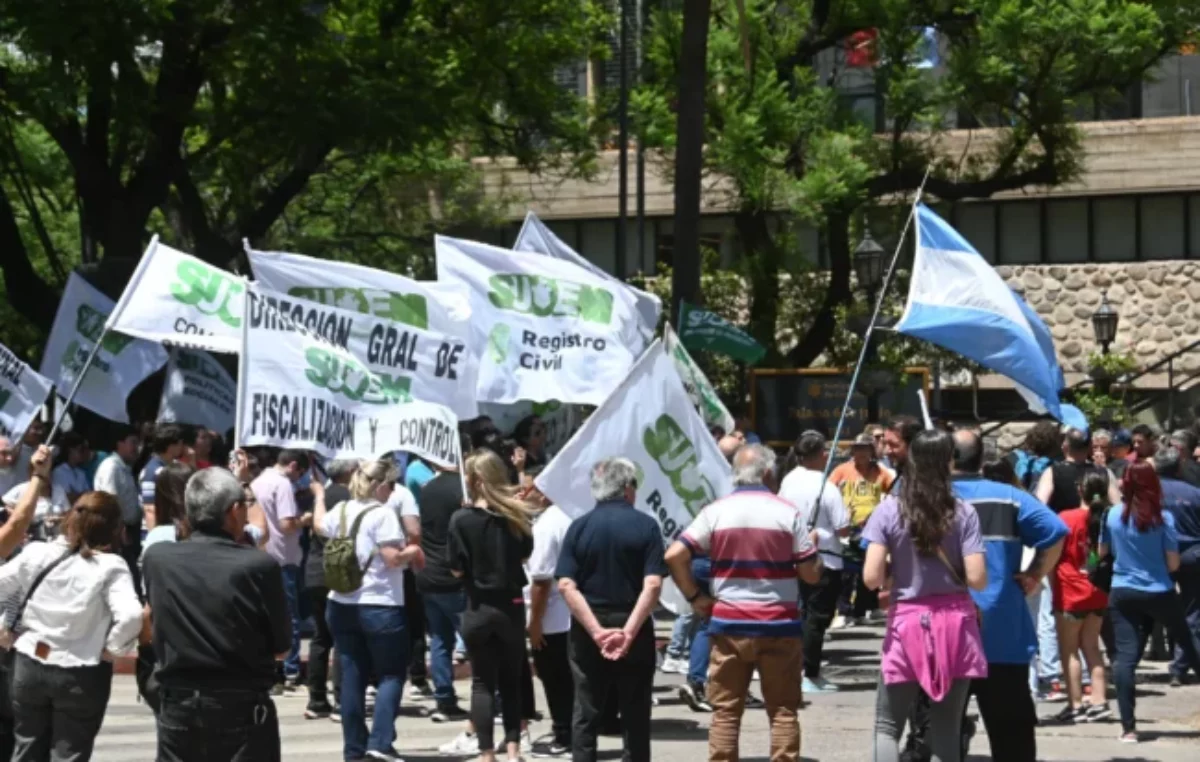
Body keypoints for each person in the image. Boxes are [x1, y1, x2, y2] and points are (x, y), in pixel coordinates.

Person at [665, 444, 821, 762]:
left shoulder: (715, 512)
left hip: (729, 625)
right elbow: (811, 575)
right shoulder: (787, 512)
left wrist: (696, 597)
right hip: (779, 625)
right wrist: (813, 549)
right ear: (767, 473)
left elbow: (674, 555)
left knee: (726, 711)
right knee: (782, 710)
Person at [143, 467, 291, 761]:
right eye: (245, 506)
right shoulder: (259, 566)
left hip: (179, 703)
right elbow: (282, 647)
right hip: (241, 705)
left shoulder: (157, 558)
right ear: (234, 510)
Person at [863, 429, 988, 762]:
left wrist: (896, 570)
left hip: (907, 622)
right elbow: (976, 578)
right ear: (949, 461)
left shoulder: (888, 510)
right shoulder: (964, 512)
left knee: (888, 725)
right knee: (947, 724)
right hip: (956, 624)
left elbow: (871, 577)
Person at [0, 491, 143, 762]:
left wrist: (5, 629)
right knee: (70, 753)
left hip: (29, 662)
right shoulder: (111, 566)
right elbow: (132, 615)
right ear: (114, 528)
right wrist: (112, 649)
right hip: (81, 671)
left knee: (27, 746)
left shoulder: (37, 552)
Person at [950, 431, 1067, 760]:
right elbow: (1056, 531)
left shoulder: (925, 496)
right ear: (981, 460)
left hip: (941, 633)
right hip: (1001, 632)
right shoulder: (1009, 497)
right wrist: (1035, 574)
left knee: (935, 733)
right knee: (1012, 736)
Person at [556, 457, 665, 762]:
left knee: (586, 709)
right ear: (628, 488)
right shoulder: (646, 525)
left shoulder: (579, 527)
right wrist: (629, 632)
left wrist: (597, 631)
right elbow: (653, 585)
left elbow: (566, 585)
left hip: (588, 625)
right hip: (634, 621)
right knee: (635, 709)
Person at [317, 458, 423, 762]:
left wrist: (318, 496)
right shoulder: (383, 514)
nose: (393, 490)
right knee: (391, 674)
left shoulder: (341, 511)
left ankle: (354, 749)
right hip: (380, 604)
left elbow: (319, 525)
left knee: (352, 677)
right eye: (391, 484)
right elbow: (393, 558)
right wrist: (412, 551)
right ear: (379, 485)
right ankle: (380, 742)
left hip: (341, 603)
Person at [446, 450, 538, 762]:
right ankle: (513, 749)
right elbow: (525, 555)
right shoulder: (516, 516)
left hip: (477, 605)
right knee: (511, 681)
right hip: (511, 605)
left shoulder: (461, 519)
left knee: (482, 684)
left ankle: (487, 753)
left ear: (473, 481)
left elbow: (456, 570)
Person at [1100, 460, 1200, 742]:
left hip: (1122, 591)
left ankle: (1128, 727)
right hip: (1159, 590)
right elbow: (1172, 563)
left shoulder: (1112, 515)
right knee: (1188, 642)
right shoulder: (1163, 519)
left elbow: (1103, 551)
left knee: (1125, 659)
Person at [775, 430, 849, 693]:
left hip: (791, 557)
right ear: (822, 454)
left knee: (801, 612)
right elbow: (842, 527)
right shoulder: (826, 486)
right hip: (823, 560)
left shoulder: (787, 481)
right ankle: (809, 671)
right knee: (817, 617)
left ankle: (803, 668)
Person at [1046, 469, 1112, 725]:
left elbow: (1055, 552)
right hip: (1097, 589)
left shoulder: (1066, 518)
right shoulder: (1106, 518)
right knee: (1093, 646)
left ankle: (1075, 704)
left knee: (1069, 650)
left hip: (1070, 589)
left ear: (1079, 490)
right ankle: (1100, 700)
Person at [521, 466, 575, 757]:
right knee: (571, 679)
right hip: (575, 615)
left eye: (529, 488)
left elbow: (541, 580)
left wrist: (534, 623)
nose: (524, 494)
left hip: (553, 618)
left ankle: (564, 736)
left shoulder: (547, 525)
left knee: (555, 679)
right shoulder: (572, 515)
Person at [251, 448, 315, 691]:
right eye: (300, 473)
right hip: (284, 555)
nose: (299, 478)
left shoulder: (258, 481)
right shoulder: (283, 485)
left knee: (266, 615)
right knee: (289, 616)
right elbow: (287, 524)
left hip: (262, 553)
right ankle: (291, 670)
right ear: (293, 466)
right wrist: (305, 520)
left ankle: (273, 667)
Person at [417, 459, 472, 725]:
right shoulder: (463, 488)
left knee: (440, 640)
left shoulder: (427, 488)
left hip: (429, 573)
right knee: (475, 639)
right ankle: (493, 699)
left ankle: (444, 699)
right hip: (454, 575)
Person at [305, 458, 357, 720]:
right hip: (336, 571)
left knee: (320, 637)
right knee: (342, 639)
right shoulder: (350, 497)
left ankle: (316, 699)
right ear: (349, 472)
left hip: (314, 570)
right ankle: (341, 700)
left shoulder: (320, 495)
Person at [830, 433, 895, 628]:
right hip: (847, 527)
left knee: (870, 567)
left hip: (872, 528)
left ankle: (863, 609)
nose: (861, 453)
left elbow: (892, 493)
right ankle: (843, 610)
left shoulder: (881, 472)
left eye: (865, 449)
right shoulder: (841, 470)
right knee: (847, 571)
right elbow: (829, 492)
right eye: (858, 449)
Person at [1153, 447, 1200, 687]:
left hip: (1158, 556)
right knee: (1192, 611)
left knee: (1158, 607)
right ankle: (1180, 665)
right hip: (1192, 555)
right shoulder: (1194, 493)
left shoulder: (1148, 494)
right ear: (1179, 466)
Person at [93, 427, 143, 584]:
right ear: (119, 444)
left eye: (138, 443)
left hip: (129, 529)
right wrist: (121, 531)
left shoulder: (125, 468)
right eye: (133, 443)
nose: (137, 448)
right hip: (116, 531)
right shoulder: (111, 466)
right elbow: (110, 501)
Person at [1035, 428, 1119, 513]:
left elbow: (1039, 506)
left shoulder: (1051, 472)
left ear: (1065, 446)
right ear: (1090, 446)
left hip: (1063, 524)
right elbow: (1118, 507)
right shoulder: (1105, 472)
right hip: (1095, 524)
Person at [1, 458, 70, 541]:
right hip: (28, 539)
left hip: (55, 538)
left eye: (47, 472)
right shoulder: (22, 489)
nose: (45, 476)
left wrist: (59, 520)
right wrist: (19, 517)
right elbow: (3, 508)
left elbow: (68, 515)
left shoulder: (58, 490)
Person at [882, 416, 923, 489]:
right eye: (885, 443)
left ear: (912, 444)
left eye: (893, 445)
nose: (886, 451)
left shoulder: (923, 483)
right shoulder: (900, 476)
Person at [51, 432, 91, 505]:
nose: (85, 453)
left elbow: (90, 496)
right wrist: (83, 494)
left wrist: (76, 495)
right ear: (70, 450)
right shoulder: (59, 472)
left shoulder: (81, 473)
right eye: (81, 449)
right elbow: (66, 498)